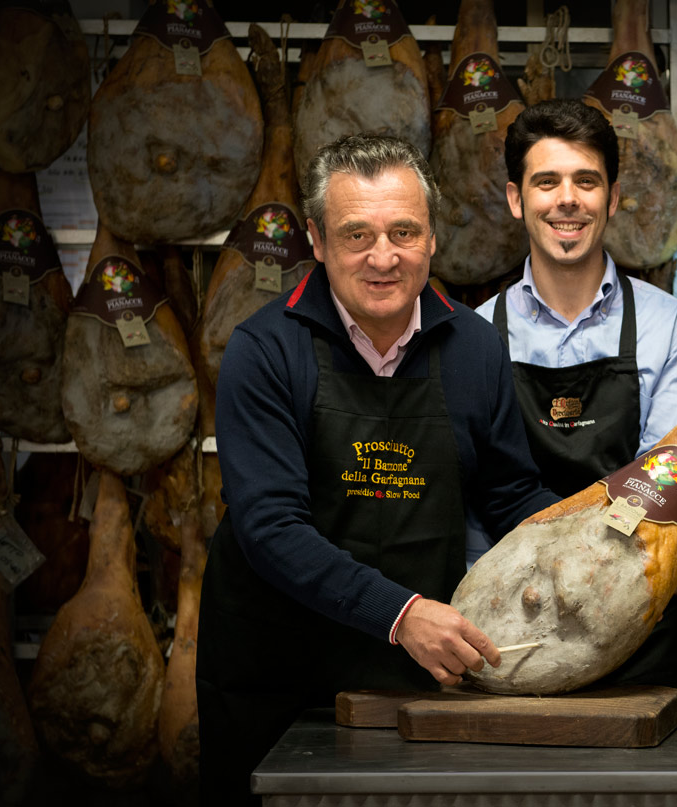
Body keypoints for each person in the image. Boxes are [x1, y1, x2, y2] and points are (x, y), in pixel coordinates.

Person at [196, 134, 560, 806]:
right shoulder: (264, 349)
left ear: (430, 238)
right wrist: (401, 611)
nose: (383, 256)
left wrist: (600, 531)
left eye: (403, 231)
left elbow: (510, 494)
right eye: (356, 234)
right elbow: (270, 526)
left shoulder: (474, 345)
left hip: (418, 679)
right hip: (279, 679)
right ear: (317, 238)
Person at [472, 98, 677, 701]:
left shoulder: (671, 327)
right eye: (546, 182)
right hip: (516, 628)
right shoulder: (475, 335)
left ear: (612, 199)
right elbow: (479, 498)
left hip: (646, 629)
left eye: (585, 181)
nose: (567, 199)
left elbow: (659, 483)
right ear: (517, 199)